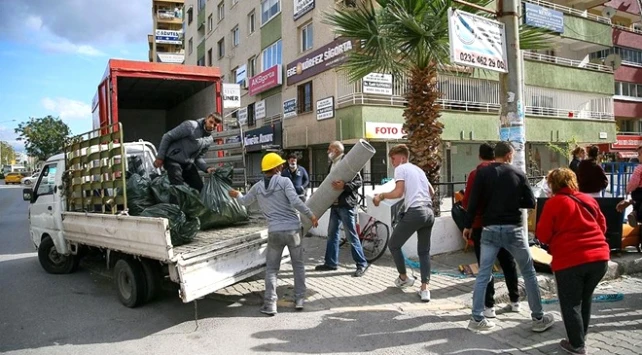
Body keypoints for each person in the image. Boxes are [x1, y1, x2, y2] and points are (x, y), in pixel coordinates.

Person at [463, 141, 554, 332]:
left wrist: (468, 225)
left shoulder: (482, 173)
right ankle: (538, 318)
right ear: (509, 155)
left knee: (484, 274)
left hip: (489, 229)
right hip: (513, 230)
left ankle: (477, 318)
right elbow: (530, 201)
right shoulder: (518, 173)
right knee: (528, 272)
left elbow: (472, 203)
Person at [229, 153, 319, 316]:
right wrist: (311, 215)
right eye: (281, 165)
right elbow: (296, 202)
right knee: (298, 265)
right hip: (293, 230)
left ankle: (270, 304)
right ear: (276, 167)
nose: (283, 167)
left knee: (271, 269)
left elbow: (245, 202)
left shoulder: (257, 187)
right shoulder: (285, 181)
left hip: (274, 232)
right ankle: (299, 299)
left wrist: (237, 195)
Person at [536, 168, 610, 355]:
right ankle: (580, 337)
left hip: (570, 261)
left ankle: (576, 345)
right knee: (584, 299)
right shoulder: (588, 199)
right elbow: (602, 226)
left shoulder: (554, 203)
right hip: (599, 259)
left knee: (571, 303)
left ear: (553, 184)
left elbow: (543, 235)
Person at [462, 143, 521, 317]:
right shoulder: (506, 171)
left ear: (480, 156)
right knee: (508, 262)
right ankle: (515, 300)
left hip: (483, 225)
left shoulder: (477, 173)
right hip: (506, 223)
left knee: (485, 266)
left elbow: (468, 202)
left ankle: (489, 306)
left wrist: (469, 224)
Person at [373, 144, 435, 302]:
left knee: (393, 244)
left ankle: (403, 277)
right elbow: (432, 192)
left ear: (402, 157)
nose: (392, 163)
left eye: (393, 159)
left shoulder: (401, 168)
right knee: (424, 251)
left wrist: (381, 196)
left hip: (416, 212)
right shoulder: (418, 170)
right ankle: (425, 289)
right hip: (429, 212)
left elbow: (398, 192)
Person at [315, 141, 369, 277]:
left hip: (346, 205)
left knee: (351, 235)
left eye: (330, 149)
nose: (328, 151)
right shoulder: (332, 164)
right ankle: (331, 263)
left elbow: (358, 182)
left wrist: (344, 186)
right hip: (335, 205)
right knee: (332, 234)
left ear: (337, 150)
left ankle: (361, 264)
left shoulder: (348, 162)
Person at [154, 113, 220, 192]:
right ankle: (176, 204)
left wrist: (207, 168)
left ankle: (195, 204)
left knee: (200, 188)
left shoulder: (209, 140)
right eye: (211, 122)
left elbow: (198, 157)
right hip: (173, 159)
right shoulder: (191, 126)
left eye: (215, 125)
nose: (212, 126)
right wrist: (160, 157)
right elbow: (167, 137)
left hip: (187, 164)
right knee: (178, 188)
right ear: (206, 119)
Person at [616, 146, 642, 226]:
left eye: (640, 154)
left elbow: (633, 182)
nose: (638, 156)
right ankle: (636, 213)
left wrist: (628, 190)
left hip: (639, 192)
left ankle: (636, 214)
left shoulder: (639, 168)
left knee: (637, 200)